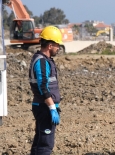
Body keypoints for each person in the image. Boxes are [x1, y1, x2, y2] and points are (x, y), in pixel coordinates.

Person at [29, 26, 63, 155]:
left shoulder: (44, 60)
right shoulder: (42, 61)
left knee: (39, 141)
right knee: (45, 144)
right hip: (44, 107)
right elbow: (43, 86)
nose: (58, 48)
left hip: (43, 106)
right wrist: (52, 108)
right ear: (50, 45)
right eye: (57, 45)